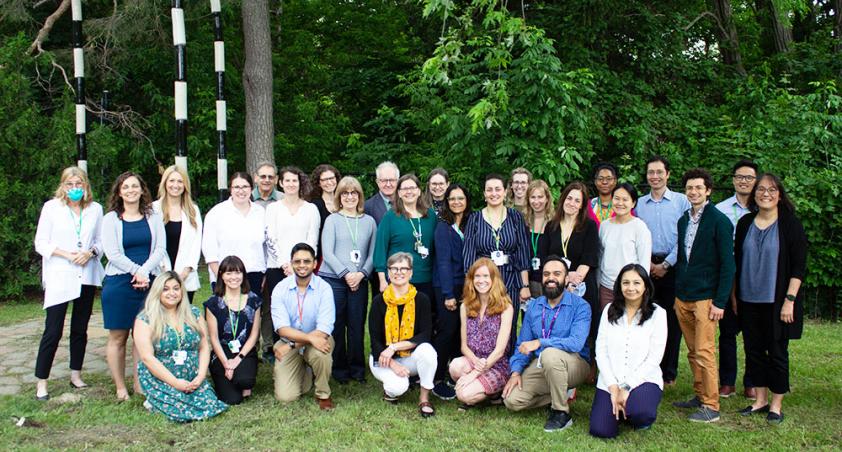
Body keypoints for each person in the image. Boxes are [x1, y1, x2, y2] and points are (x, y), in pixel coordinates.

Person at [735, 174, 806, 425]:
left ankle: (776, 404)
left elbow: (799, 266)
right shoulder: (744, 223)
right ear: (754, 194)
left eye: (772, 189)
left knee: (777, 352)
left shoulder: (789, 224)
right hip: (748, 300)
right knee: (753, 351)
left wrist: (790, 300)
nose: (766, 193)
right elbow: (737, 261)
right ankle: (760, 400)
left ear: (779, 194)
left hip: (777, 302)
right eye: (761, 189)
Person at [33, 167, 105, 400]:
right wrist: (66, 254)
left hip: (86, 274)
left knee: (80, 328)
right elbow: (41, 243)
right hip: (60, 274)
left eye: (79, 184)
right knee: (53, 330)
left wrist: (91, 253)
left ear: (86, 186)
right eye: (70, 184)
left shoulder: (95, 209)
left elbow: (100, 241)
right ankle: (41, 381)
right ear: (63, 186)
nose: (75, 189)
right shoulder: (51, 208)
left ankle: (76, 374)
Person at [672, 168, 735, 423]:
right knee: (691, 349)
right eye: (689, 188)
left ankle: (712, 405)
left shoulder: (719, 221)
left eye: (698, 187)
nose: (694, 192)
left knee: (705, 350)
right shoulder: (683, 220)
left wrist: (720, 301)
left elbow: (728, 265)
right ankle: (699, 395)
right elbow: (683, 258)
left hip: (706, 298)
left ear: (708, 190)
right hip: (683, 295)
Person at [502, 257, 591, 432]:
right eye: (546, 274)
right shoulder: (535, 306)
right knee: (512, 400)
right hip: (542, 363)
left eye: (557, 274)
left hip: (575, 363)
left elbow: (576, 343)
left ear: (566, 279)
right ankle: (562, 391)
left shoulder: (581, 306)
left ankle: (561, 413)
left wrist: (541, 342)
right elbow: (522, 344)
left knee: (550, 353)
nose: (551, 278)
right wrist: (515, 372)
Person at [101, 171, 166, 401]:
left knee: (142, 337)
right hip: (120, 283)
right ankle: (120, 387)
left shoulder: (153, 217)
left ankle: (140, 384)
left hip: (148, 282)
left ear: (142, 190)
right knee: (118, 337)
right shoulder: (111, 219)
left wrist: (145, 271)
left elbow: (160, 249)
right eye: (125, 187)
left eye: (134, 186)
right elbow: (112, 253)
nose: (130, 190)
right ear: (119, 192)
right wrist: (136, 271)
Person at [134, 272, 227, 421]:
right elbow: (147, 357)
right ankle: (156, 398)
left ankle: (188, 390)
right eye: (166, 289)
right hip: (163, 377)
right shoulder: (145, 319)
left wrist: (201, 376)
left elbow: (204, 346)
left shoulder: (194, 313)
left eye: (176, 288)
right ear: (158, 291)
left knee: (209, 406)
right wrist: (175, 383)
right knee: (178, 411)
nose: (172, 293)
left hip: (192, 375)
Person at [589, 264, 668, 438]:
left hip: (642, 380)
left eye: (636, 283)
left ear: (645, 286)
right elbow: (601, 352)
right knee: (601, 430)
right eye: (626, 283)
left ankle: (633, 413)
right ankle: (621, 410)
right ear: (619, 286)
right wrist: (613, 387)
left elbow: (654, 358)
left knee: (640, 412)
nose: (631, 288)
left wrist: (626, 387)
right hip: (611, 381)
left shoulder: (658, 314)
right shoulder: (609, 311)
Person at [635, 156, 690, 386]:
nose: (655, 177)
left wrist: (666, 264)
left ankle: (669, 371)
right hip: (645, 267)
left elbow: (687, 235)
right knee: (644, 316)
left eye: (659, 172)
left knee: (671, 320)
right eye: (650, 172)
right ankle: (647, 367)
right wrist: (647, 264)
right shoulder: (638, 203)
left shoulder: (681, 202)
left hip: (673, 266)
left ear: (668, 174)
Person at [202, 173, 268, 359]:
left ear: (251, 188)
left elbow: (266, 246)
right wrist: (221, 276)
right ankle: (222, 356)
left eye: (245, 186)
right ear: (230, 189)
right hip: (226, 275)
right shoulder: (217, 212)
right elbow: (209, 248)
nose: (241, 191)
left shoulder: (260, 213)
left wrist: (264, 275)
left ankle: (249, 357)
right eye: (236, 187)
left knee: (249, 317)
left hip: (253, 274)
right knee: (226, 318)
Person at [539, 181, 599, 379]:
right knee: (559, 325)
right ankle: (557, 364)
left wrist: (575, 279)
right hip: (557, 284)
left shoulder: (589, 226)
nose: (572, 203)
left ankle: (585, 365)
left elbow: (590, 256)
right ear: (563, 199)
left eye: (577, 200)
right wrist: (561, 278)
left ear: (582, 205)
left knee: (582, 326)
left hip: (580, 285)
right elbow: (546, 257)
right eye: (569, 198)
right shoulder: (552, 226)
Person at [320, 176, 377, 384]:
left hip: (359, 280)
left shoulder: (369, 221)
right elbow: (327, 252)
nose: (350, 197)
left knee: (356, 324)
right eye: (345, 193)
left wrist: (361, 274)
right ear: (339, 197)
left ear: (359, 196)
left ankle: (357, 368)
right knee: (337, 325)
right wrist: (345, 274)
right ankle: (339, 369)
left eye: (354, 193)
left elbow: (373, 253)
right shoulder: (332, 219)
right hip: (334, 280)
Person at [463, 174, 530, 348]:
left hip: (510, 277)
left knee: (510, 322)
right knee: (485, 323)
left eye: (498, 189)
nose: (494, 193)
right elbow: (469, 253)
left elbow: (523, 251)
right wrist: (471, 284)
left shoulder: (515, 217)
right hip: (484, 280)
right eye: (489, 190)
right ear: (484, 194)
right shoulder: (475, 219)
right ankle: (484, 363)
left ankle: (510, 367)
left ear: (505, 192)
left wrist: (525, 285)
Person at [369, 252, 437, 417]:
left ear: (411, 272)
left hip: (409, 357)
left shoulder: (421, 299)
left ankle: (424, 398)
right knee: (398, 388)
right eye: (394, 268)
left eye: (403, 268)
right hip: (382, 358)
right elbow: (375, 341)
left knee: (428, 351)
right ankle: (390, 391)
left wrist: (394, 347)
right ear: (388, 272)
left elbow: (425, 335)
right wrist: (393, 364)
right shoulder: (379, 301)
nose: (399, 272)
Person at [265, 166, 320, 361]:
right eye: (287, 181)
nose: (290, 184)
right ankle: (279, 350)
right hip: (278, 267)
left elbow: (312, 239)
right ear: (280, 183)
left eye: (294, 181)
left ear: (300, 183)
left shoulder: (311, 209)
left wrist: (302, 263)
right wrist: (285, 265)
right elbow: (270, 238)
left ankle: (304, 348)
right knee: (279, 308)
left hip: (304, 267)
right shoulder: (273, 209)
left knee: (304, 307)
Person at [271, 243, 336, 409]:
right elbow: (282, 329)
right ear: (291, 263)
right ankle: (305, 371)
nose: (302, 265)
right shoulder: (280, 288)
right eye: (297, 261)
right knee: (286, 397)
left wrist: (294, 344)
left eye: (306, 261)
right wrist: (295, 343)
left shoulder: (324, 288)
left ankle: (323, 394)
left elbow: (324, 329)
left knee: (322, 353)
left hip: (318, 340)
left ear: (314, 263)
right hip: (287, 342)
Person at [716, 159, 759, 400]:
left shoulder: (763, 208)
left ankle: (752, 381)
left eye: (749, 178)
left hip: (754, 276)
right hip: (727, 276)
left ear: (756, 181)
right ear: (733, 180)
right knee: (727, 332)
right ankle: (727, 382)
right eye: (740, 177)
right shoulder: (721, 209)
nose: (744, 181)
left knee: (754, 332)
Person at [449, 258, 513, 410]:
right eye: (477, 276)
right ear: (471, 280)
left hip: (497, 364)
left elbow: (500, 351)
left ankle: (493, 393)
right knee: (455, 367)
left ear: (494, 279)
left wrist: (475, 373)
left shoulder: (505, 307)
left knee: (464, 395)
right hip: (473, 359)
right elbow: (464, 346)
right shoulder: (465, 306)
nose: (481, 281)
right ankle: (483, 390)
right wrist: (476, 362)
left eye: (486, 276)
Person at [430, 183, 471, 400]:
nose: (456, 202)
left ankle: (453, 374)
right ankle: (434, 378)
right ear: (446, 202)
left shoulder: (471, 223)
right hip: (447, 285)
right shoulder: (442, 227)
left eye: (460, 198)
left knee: (460, 332)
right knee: (446, 331)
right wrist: (448, 295)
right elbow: (443, 262)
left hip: (468, 286)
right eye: (452, 199)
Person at [204, 256, 262, 405]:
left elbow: (254, 335)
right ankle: (222, 378)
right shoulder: (213, 303)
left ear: (243, 275)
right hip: (222, 352)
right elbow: (214, 338)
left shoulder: (253, 300)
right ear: (221, 275)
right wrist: (226, 363)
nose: (233, 277)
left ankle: (243, 382)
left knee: (245, 381)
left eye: (237, 272)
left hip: (244, 351)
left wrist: (237, 360)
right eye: (228, 273)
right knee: (232, 399)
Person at [373, 174, 438, 303]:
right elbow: (380, 249)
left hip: (426, 279)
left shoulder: (430, 216)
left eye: (412, 188)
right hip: (399, 280)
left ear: (419, 191)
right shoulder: (390, 217)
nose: (409, 192)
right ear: (399, 193)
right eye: (404, 189)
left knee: (423, 319)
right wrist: (382, 280)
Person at [152, 165, 202, 304]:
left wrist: (186, 271)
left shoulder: (193, 210)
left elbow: (196, 244)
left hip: (186, 276)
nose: (176, 185)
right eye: (171, 181)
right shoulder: (153, 209)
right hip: (159, 273)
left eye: (180, 181)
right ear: (165, 183)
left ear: (185, 185)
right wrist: (164, 272)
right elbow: (152, 241)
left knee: (183, 320)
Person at [598, 183, 652, 309]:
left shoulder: (639, 227)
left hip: (631, 289)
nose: (620, 203)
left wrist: (640, 288)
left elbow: (644, 263)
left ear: (633, 203)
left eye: (625, 199)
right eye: (616, 198)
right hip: (607, 287)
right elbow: (600, 256)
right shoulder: (604, 226)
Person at [524, 180, 554, 298]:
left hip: (549, 281)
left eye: (540, 197)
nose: (536, 201)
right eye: (533, 197)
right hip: (528, 281)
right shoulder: (523, 223)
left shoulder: (554, 223)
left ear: (547, 198)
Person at [309, 164, 341, 263]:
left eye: (331, 178)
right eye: (324, 180)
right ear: (318, 183)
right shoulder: (315, 205)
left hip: (343, 253)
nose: (329, 182)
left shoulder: (344, 202)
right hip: (322, 256)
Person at [364, 160, 400, 225]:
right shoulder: (368, 207)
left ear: (398, 181)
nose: (388, 184)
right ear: (377, 182)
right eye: (384, 180)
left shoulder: (406, 202)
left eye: (392, 180)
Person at [590, 162, 619, 227]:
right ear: (595, 182)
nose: (604, 182)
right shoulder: (588, 206)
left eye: (609, 179)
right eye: (600, 179)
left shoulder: (622, 205)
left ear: (615, 181)